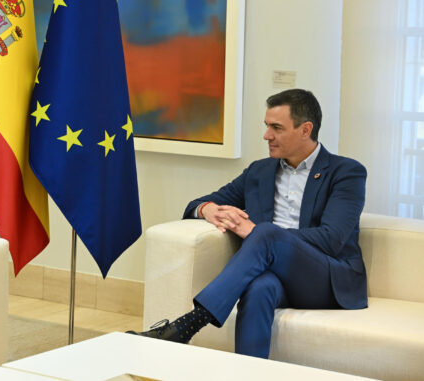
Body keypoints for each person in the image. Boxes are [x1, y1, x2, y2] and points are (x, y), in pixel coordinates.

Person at [127, 89, 368, 359]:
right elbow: (196, 203)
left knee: (265, 233)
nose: (267, 135)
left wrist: (258, 233)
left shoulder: (346, 172)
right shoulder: (260, 172)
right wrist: (208, 209)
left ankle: (186, 326)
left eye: (276, 127)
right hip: (275, 274)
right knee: (259, 288)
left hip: (326, 278)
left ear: (305, 130)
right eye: (266, 126)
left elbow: (332, 239)